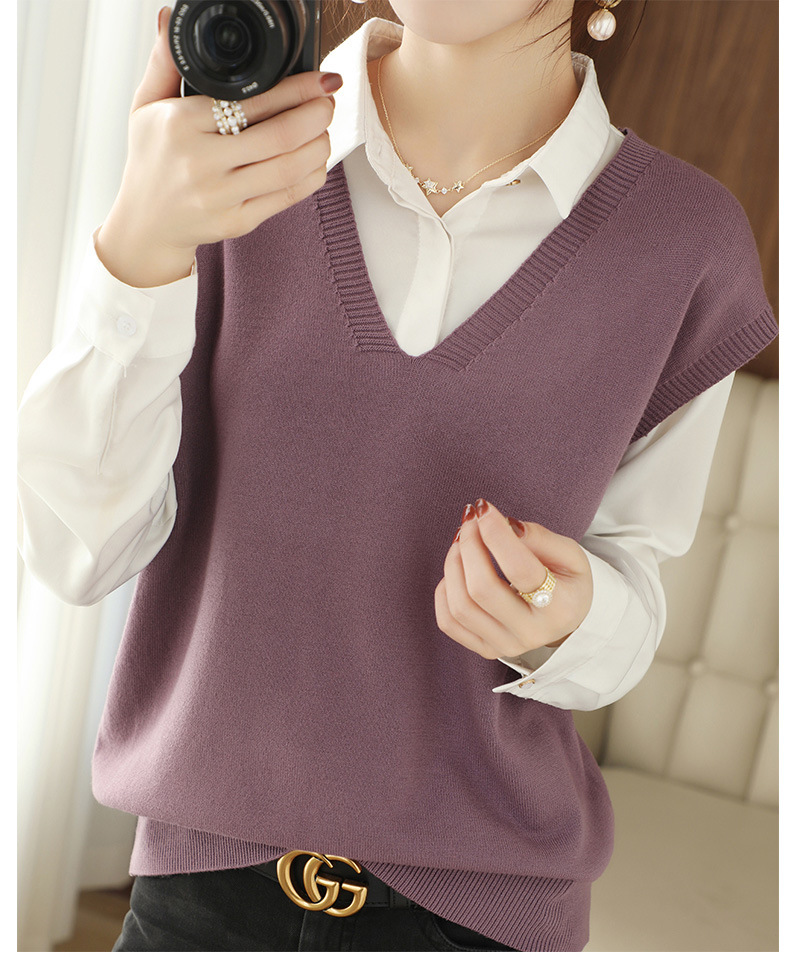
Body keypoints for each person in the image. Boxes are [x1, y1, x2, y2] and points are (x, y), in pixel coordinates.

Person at [17, 0, 778, 951]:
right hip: (195, 902)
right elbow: (79, 553)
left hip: (479, 917)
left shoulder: (682, 243)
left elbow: (630, 593)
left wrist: (564, 618)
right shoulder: (223, 160)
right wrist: (141, 245)